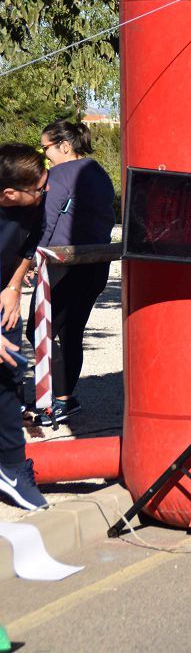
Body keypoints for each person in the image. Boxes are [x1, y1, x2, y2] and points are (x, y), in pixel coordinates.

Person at [30, 121, 117, 426]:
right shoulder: (99, 173)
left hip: (62, 264)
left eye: (46, 148)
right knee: (72, 331)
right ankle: (63, 399)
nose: (45, 155)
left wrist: (32, 257)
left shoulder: (60, 174)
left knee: (39, 331)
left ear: (64, 146)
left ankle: (54, 400)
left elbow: (46, 220)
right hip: (95, 262)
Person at [0, 144, 47, 510]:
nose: (45, 191)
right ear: (9, 194)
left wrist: (14, 286)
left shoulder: (33, 203)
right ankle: (11, 467)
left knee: (10, 370)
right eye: (37, 188)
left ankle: (11, 467)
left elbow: (28, 248)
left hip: (4, 295)